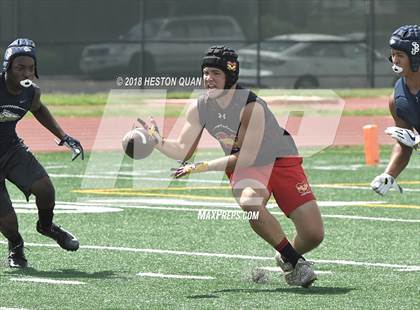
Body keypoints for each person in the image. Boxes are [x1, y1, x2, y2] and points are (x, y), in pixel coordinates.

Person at [138, 46, 324, 287]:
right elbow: (183, 149)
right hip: (248, 168)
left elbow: (245, 157)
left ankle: (284, 253)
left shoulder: (251, 106)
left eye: (216, 72)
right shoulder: (200, 106)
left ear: (231, 75)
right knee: (250, 202)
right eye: (205, 72)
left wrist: (201, 167)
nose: (208, 78)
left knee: (313, 234)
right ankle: (293, 261)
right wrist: (158, 142)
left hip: (280, 160)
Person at [0, 38, 84, 268]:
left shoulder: (31, 92)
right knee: (7, 221)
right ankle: (16, 245)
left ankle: (46, 227)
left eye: (31, 67)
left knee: (45, 189)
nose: (26, 72)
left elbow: (38, 110)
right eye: (20, 67)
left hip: (10, 150)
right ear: (7, 67)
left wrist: (63, 135)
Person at [371, 25, 420, 195]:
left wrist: (416, 140)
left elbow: (413, 141)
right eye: (393, 54)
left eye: (400, 55)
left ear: (415, 57)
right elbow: (404, 145)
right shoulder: (397, 99)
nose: (395, 60)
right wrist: (389, 174)